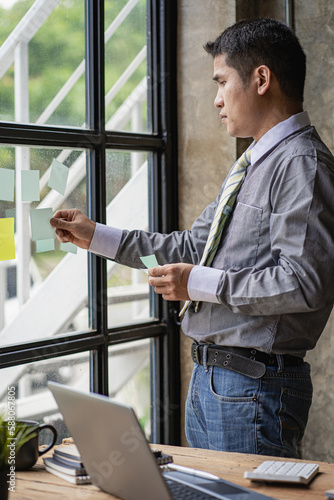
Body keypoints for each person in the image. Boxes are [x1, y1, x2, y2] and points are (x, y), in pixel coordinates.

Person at [50, 18, 334, 458]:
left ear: (261, 79)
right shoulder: (253, 165)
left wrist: (197, 283)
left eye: (221, 82)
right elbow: (189, 248)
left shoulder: (301, 165)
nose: (217, 99)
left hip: (252, 391)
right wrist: (95, 237)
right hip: (216, 384)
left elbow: (303, 282)